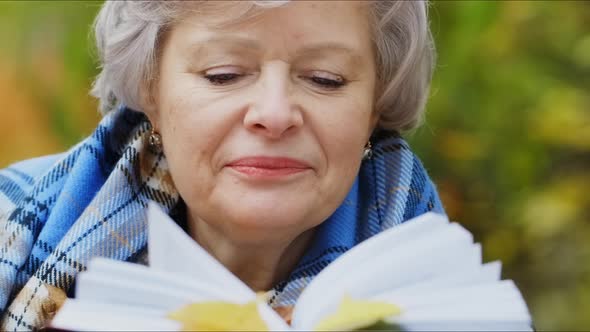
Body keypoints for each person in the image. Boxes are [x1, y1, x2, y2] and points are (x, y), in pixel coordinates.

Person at [0, 0, 444, 329]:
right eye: (224, 74)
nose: (273, 114)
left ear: (374, 108)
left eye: (323, 79)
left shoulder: (452, 293)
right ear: (151, 92)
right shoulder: (10, 218)